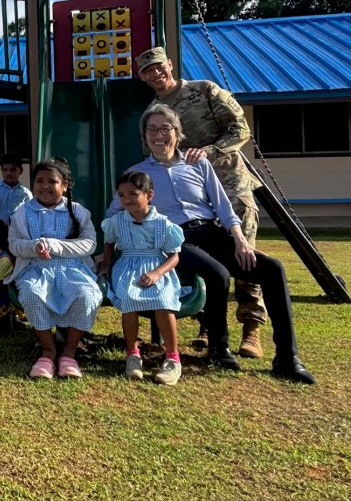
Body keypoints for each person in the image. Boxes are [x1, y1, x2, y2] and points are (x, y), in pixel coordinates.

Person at [108, 104, 315, 384]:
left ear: (177, 133)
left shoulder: (197, 163)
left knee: (272, 269)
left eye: (165, 128)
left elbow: (222, 204)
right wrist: (105, 249)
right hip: (175, 239)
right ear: (144, 137)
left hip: (212, 232)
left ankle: (287, 358)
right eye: (151, 129)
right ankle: (219, 348)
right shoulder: (137, 172)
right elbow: (114, 210)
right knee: (217, 274)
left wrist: (240, 240)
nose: (159, 135)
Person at [136, 46, 267, 358]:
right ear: (142, 77)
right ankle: (208, 325)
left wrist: (209, 150)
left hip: (228, 182)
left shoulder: (204, 90)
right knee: (202, 257)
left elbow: (241, 129)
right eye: (147, 71)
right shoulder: (152, 113)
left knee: (244, 252)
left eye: (158, 67)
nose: (156, 74)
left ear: (169, 64)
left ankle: (251, 328)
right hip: (191, 196)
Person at [6, 158, 103, 380]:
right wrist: (34, 246)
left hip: (73, 269)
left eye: (52, 181)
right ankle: (48, 350)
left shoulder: (77, 212)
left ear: (65, 185)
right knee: (31, 295)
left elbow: (90, 243)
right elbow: (14, 244)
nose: (45, 186)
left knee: (87, 295)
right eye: (39, 181)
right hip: (35, 268)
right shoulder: (22, 212)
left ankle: (70, 350)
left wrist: (57, 246)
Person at [98, 170, 185, 385]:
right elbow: (109, 242)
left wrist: (157, 273)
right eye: (122, 195)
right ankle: (133, 355)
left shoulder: (163, 223)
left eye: (133, 194)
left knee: (164, 301)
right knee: (129, 299)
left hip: (156, 266)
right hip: (127, 266)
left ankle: (173, 358)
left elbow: (174, 256)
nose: (127, 200)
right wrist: (107, 264)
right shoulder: (117, 221)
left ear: (149, 194)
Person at [0, 153, 32, 225]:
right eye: (5, 170)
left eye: (13, 170)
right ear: (1, 170)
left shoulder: (26, 193)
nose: (9, 173)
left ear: (21, 170)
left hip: (16, 231)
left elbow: (29, 215)